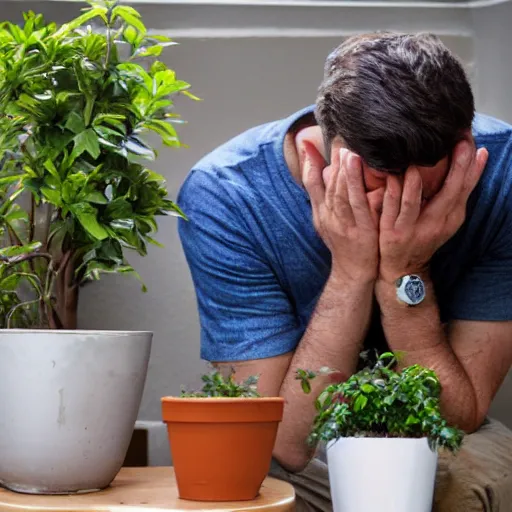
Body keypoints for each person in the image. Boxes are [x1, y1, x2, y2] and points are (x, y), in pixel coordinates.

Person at [177, 32, 512, 511]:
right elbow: (290, 443)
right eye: (379, 182)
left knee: (450, 483)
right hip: (303, 439)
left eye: (425, 188)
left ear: (464, 148)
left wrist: (405, 269)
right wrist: (351, 272)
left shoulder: (502, 174)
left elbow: (458, 415)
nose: (405, 203)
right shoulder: (227, 197)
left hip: (440, 436)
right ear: (324, 148)